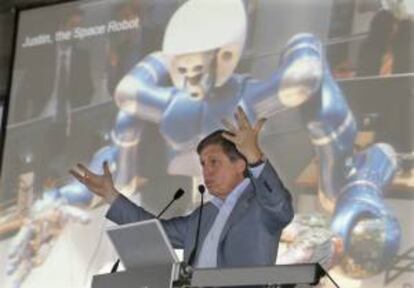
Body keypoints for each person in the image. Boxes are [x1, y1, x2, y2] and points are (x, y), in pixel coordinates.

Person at [70, 106, 294, 268]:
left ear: (240, 163)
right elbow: (154, 231)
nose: (206, 171)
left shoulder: (261, 206)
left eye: (214, 162)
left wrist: (255, 155)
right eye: (203, 164)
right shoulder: (202, 216)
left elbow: (280, 205)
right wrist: (112, 196)